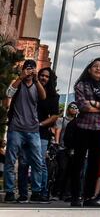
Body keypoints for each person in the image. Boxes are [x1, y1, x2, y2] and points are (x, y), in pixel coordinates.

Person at [69, 58, 100, 207]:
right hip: (83, 128)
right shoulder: (81, 85)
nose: (98, 69)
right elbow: (82, 106)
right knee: (78, 162)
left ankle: (88, 196)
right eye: (95, 66)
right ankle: (75, 196)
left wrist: (93, 103)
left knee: (94, 164)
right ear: (89, 69)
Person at [4, 59, 47, 204]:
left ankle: (36, 191)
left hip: (33, 130)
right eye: (27, 68)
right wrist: (21, 77)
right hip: (16, 128)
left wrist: (36, 79)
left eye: (32, 68)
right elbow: (8, 93)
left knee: (37, 162)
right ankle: (9, 191)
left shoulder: (36, 85)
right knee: (10, 161)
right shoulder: (18, 83)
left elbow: (43, 97)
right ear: (23, 70)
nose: (30, 71)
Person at [17, 67, 59, 203]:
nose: (43, 78)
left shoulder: (53, 96)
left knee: (40, 163)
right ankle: (23, 193)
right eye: (41, 75)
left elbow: (54, 117)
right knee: (23, 163)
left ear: (50, 79)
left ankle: (42, 192)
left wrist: (39, 125)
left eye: (47, 76)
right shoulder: (30, 88)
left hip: (41, 133)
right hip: (24, 130)